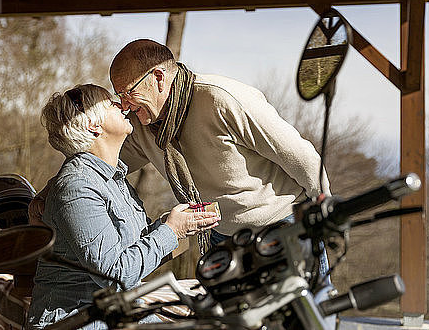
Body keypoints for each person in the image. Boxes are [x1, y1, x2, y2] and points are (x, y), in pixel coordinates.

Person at [27, 84, 220, 330]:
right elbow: (115, 276)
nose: (122, 104)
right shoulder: (76, 188)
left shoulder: (111, 178)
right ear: (93, 125)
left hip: (117, 312)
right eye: (110, 102)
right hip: (79, 320)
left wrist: (174, 223)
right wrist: (171, 231)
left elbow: (130, 249)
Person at [109, 39, 330, 247]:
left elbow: (300, 156)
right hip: (221, 237)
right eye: (119, 95)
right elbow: (107, 163)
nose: (124, 105)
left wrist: (326, 209)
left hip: (283, 226)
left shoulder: (222, 99)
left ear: (158, 77)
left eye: (128, 92)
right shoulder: (141, 126)